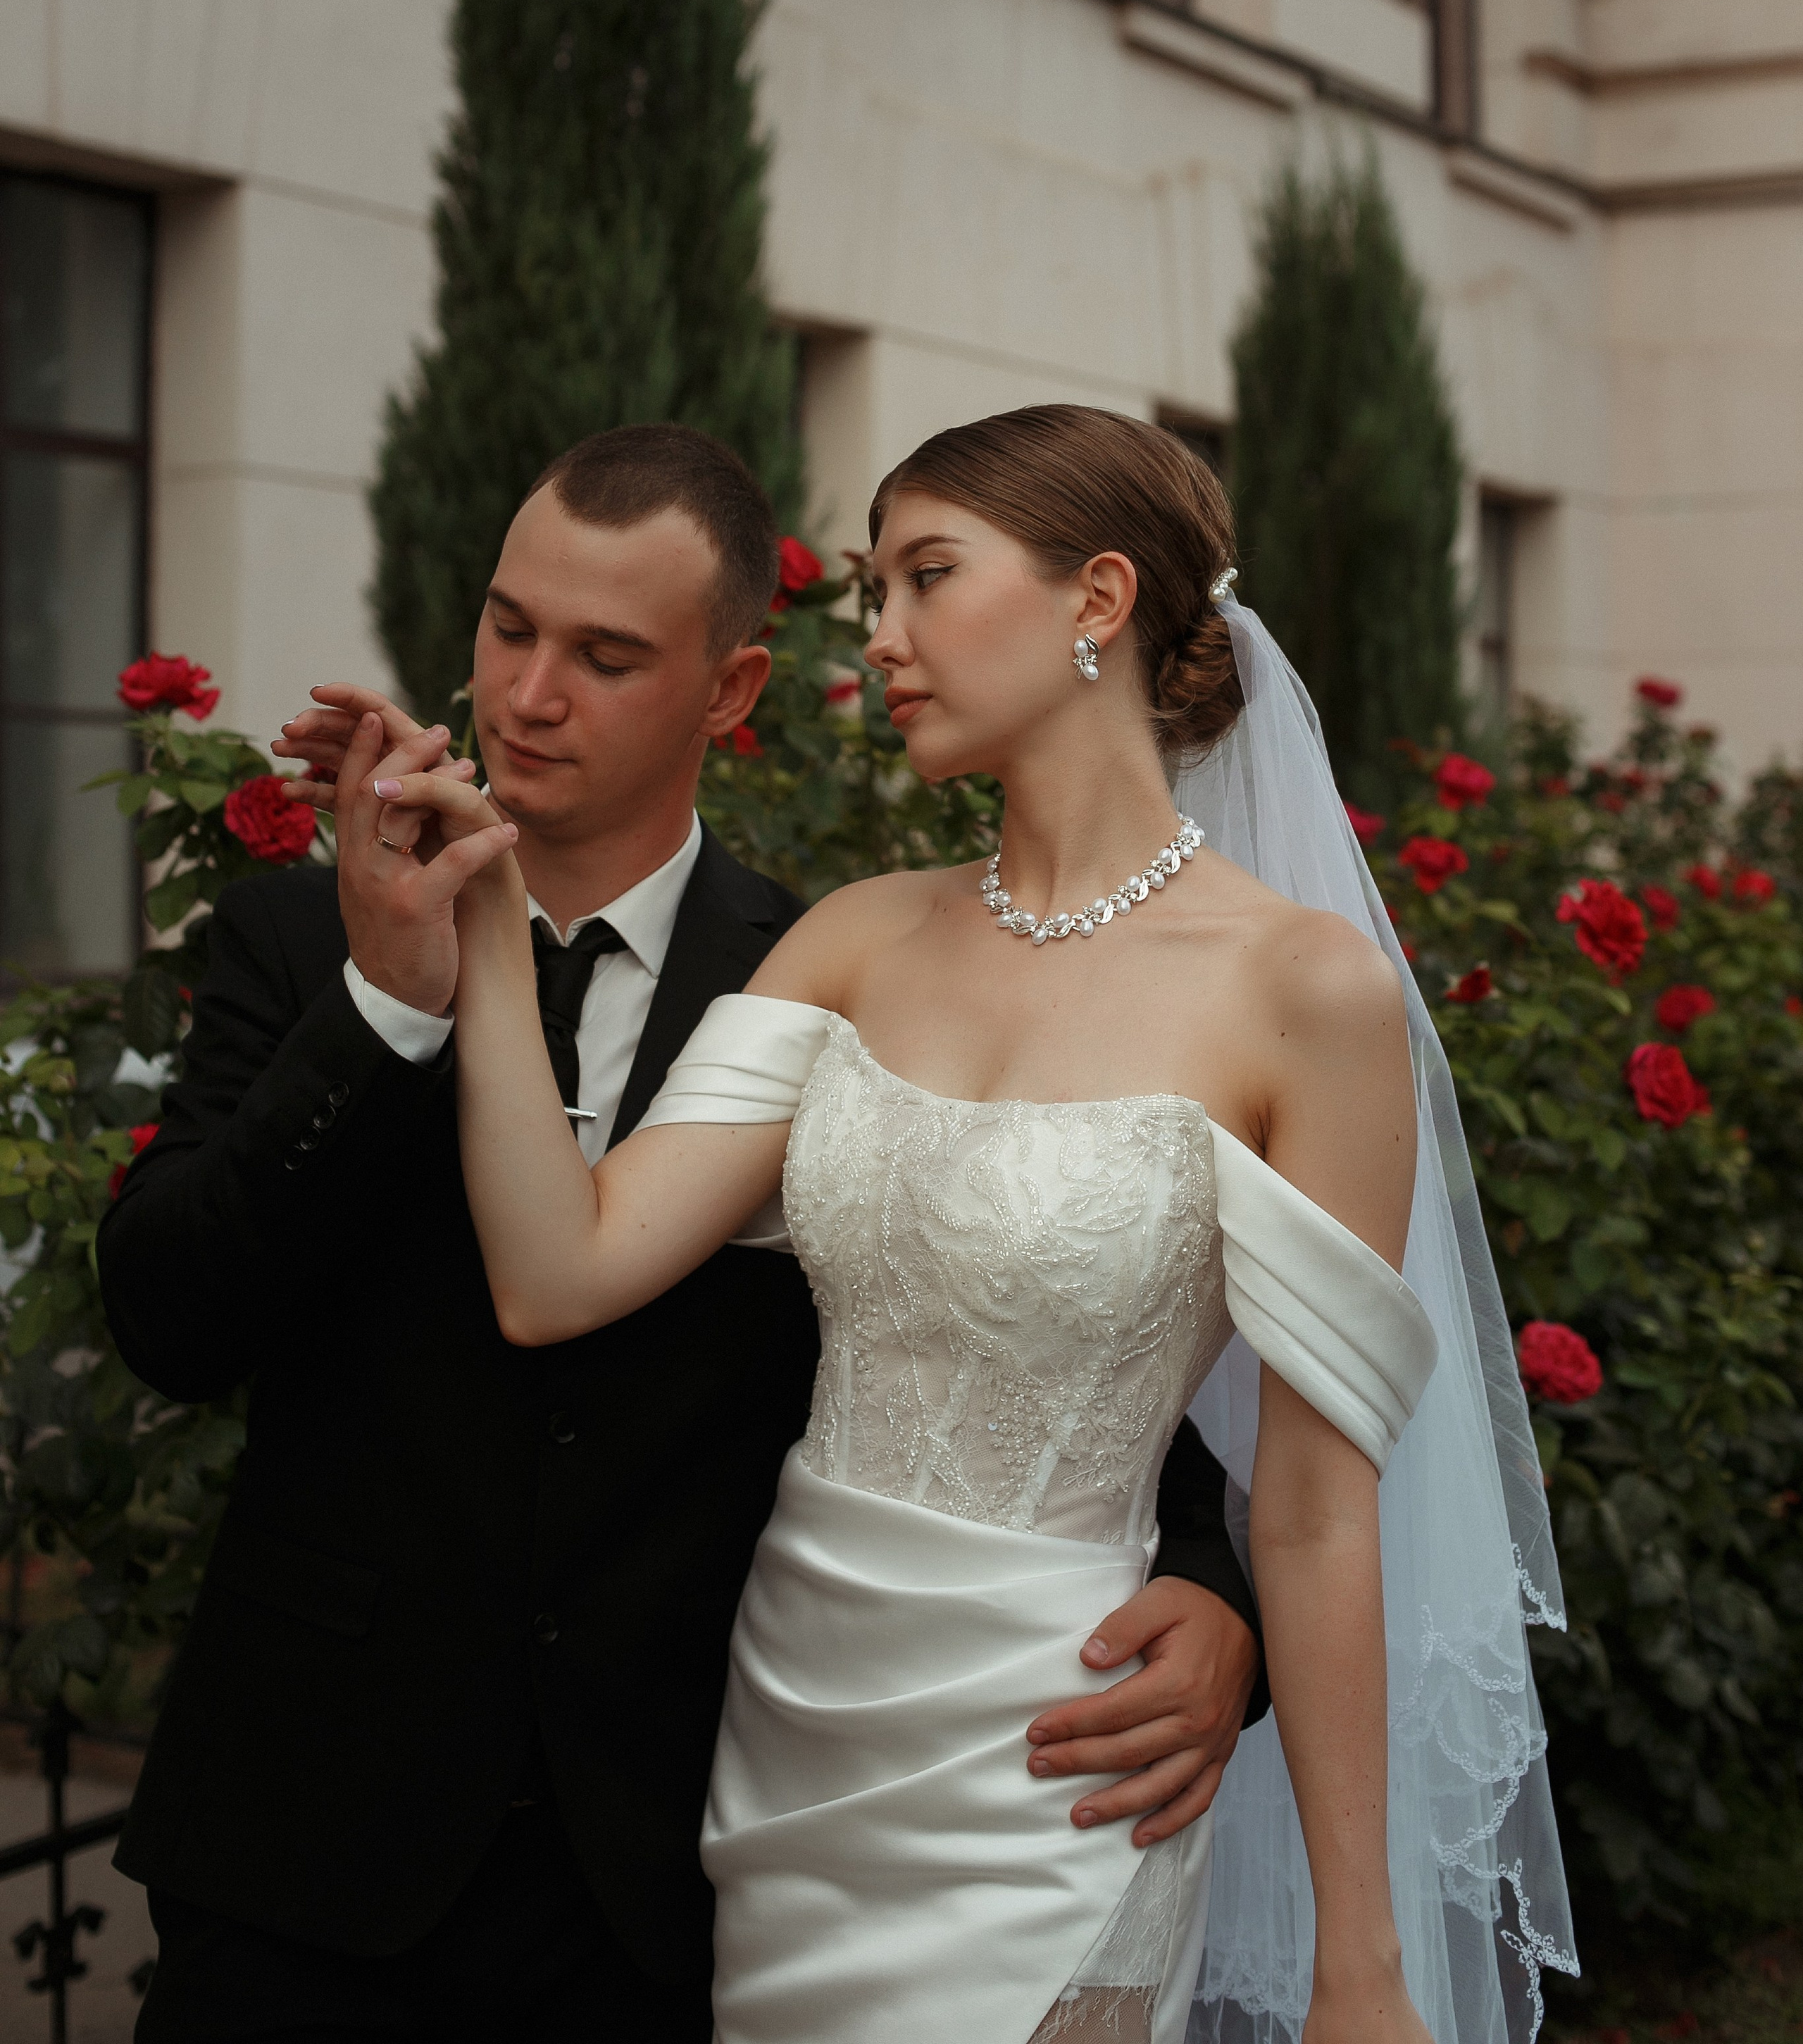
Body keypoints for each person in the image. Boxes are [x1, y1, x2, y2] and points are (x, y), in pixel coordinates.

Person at [394, 406, 1574, 2044]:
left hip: (1059, 1764)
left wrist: (1356, 1964)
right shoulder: (853, 943)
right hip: (800, 1750)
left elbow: (1309, 1514)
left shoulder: (1303, 993)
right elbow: (555, 1272)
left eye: (924, 578)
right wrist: (479, 911)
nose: (876, 637)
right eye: (872, 589)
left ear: (1097, 599)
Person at [97, 422, 1264, 2044]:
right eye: (509, 628)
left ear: (730, 692)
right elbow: (168, 1316)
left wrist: (1218, 1595)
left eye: (603, 654)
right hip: (304, 1848)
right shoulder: (304, 934)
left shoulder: (847, 974)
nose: (524, 695)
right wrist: (381, 1006)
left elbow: (1051, 1322)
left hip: (675, 1878)